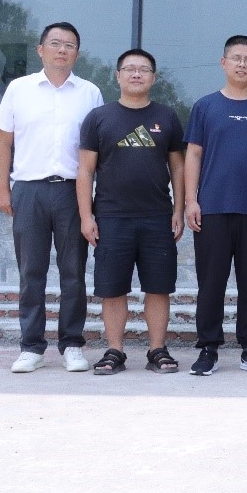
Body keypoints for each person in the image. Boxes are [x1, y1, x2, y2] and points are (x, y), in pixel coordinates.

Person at [0, 22, 103, 374]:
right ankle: (31, 347)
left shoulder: (90, 93)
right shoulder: (19, 89)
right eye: (55, 43)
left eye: (69, 45)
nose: (62, 50)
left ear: (77, 54)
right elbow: (2, 142)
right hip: (29, 190)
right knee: (31, 271)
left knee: (73, 272)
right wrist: (3, 190)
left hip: (73, 191)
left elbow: (97, 151)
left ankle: (72, 344)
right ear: (40, 49)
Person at [184, 35, 247, 376]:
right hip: (212, 208)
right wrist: (191, 200)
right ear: (223, 63)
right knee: (211, 282)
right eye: (236, 58)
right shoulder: (205, 107)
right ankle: (208, 348)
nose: (242, 64)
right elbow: (193, 154)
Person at [76, 48, 185, 375]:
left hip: (157, 217)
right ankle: (115, 351)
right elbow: (85, 170)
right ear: (118, 75)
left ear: (154, 77)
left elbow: (178, 169)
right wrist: (86, 216)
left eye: (144, 69)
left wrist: (178, 210)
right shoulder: (99, 118)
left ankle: (157, 350)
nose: (136, 74)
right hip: (111, 217)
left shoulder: (167, 116)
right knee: (112, 288)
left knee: (159, 287)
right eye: (130, 69)